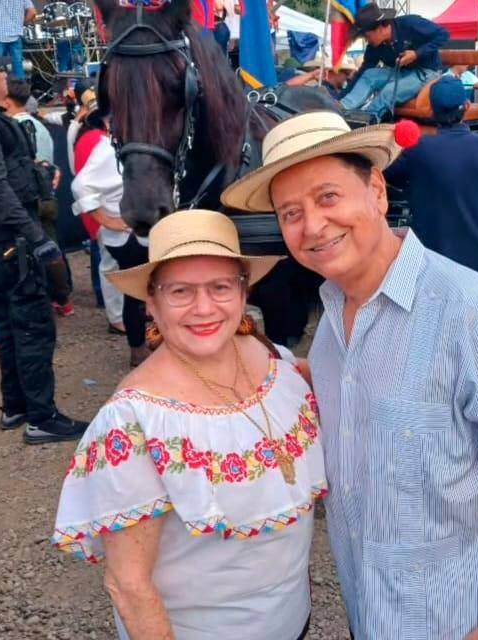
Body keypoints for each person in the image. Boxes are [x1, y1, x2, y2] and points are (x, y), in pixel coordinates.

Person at [222, 111, 478, 639]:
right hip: (372, 613)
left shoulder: (473, 313)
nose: (312, 225)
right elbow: (350, 390)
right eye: (291, 212)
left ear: (377, 191)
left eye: (328, 197)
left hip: (460, 621)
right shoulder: (335, 313)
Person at [53, 210, 326, 640]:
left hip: (291, 619)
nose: (204, 308)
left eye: (220, 287)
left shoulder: (266, 356)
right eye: (180, 291)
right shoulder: (132, 422)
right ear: (152, 302)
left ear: (243, 290)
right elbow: (129, 585)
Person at [0, 47, 87, 443]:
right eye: (4, 72)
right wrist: (37, 237)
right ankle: (43, 416)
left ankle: (17, 407)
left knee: (9, 325)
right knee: (33, 327)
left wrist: (36, 172)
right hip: (13, 242)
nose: (9, 77)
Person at [385, 77, 478, 286]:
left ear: (430, 112)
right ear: (466, 106)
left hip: (434, 262)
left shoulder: (418, 150)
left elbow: (386, 173)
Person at [71, 108, 149, 366]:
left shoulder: (146, 147)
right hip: (129, 238)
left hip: (147, 234)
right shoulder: (108, 150)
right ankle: (137, 350)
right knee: (136, 293)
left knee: (152, 291)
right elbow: (80, 186)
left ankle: (149, 344)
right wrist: (107, 220)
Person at [4, 77, 76, 317]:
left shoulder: (15, 128)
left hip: (32, 196)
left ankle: (55, 296)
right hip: (47, 194)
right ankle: (63, 296)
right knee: (52, 245)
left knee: (40, 248)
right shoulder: (39, 125)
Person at [340, 3, 448, 120]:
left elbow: (443, 34)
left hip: (427, 72)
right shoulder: (374, 46)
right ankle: (342, 108)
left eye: (367, 36)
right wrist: (340, 97)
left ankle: (368, 122)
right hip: (401, 73)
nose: (367, 41)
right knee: (369, 75)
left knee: (388, 92)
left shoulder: (410, 23)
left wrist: (416, 54)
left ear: (380, 28)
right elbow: (363, 71)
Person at [0, 0, 35, 80]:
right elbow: (32, 12)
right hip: (15, 35)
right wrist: (22, 24)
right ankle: (20, 89)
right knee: (17, 66)